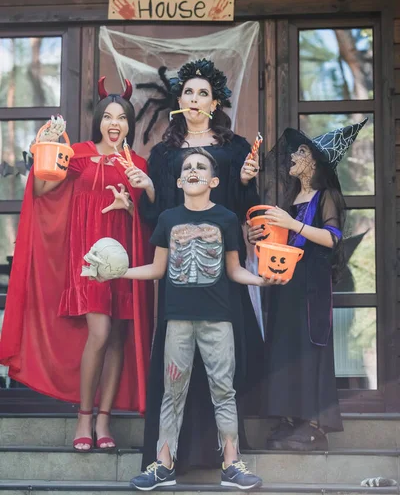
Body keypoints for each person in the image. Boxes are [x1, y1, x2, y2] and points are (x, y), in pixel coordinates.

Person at [0, 78, 154, 451]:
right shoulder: (79, 154)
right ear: (99, 120)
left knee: (117, 336)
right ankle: (84, 416)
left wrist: (135, 202)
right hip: (87, 259)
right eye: (108, 116)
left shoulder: (138, 163)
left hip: (126, 258)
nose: (114, 123)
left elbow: (151, 217)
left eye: (122, 117)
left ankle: (105, 420)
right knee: (99, 333)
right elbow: (40, 191)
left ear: (130, 124)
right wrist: (49, 147)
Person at [100, 148, 265, 490]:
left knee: (223, 389)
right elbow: (158, 269)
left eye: (200, 166)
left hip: (219, 319)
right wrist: (118, 272)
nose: (193, 170)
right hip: (176, 320)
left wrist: (264, 280)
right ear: (179, 180)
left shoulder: (227, 219)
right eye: (187, 166)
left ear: (213, 180)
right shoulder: (168, 219)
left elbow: (234, 270)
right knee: (172, 392)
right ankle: (163, 465)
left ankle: (232, 464)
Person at [136, 59, 264, 472]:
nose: (194, 99)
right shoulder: (164, 153)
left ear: (214, 103)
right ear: (179, 101)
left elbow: (247, 211)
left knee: (222, 367)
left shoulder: (236, 149)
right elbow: (155, 217)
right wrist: (148, 189)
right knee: (176, 371)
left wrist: (245, 182)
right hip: (178, 274)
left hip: (221, 267)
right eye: (188, 92)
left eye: (202, 93)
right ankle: (168, 458)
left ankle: (229, 456)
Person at [257, 118, 367, 451]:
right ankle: (290, 419)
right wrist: (259, 234)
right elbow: (283, 237)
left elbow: (332, 239)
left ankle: (313, 426)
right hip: (286, 284)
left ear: (314, 162)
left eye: (300, 151)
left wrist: (292, 223)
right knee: (285, 349)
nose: (292, 155)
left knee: (308, 349)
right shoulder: (292, 197)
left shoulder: (326, 196)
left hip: (311, 287)